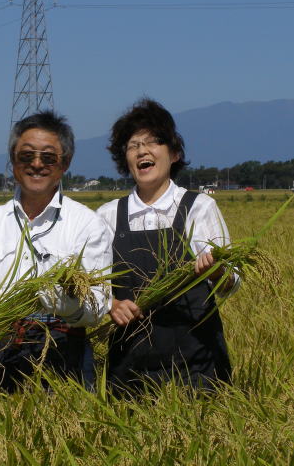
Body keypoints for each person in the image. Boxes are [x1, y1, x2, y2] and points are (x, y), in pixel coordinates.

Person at [0, 111, 111, 392]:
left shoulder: (86, 224)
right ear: (13, 162)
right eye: (26, 156)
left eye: (48, 157)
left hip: (63, 353)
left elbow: (100, 302)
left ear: (64, 164)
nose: (36, 164)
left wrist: (69, 306)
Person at [96, 98, 239, 395]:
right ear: (125, 159)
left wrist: (216, 271)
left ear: (174, 154)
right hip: (130, 370)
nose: (142, 151)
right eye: (133, 145)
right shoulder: (108, 216)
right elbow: (91, 282)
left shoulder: (199, 208)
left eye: (154, 142)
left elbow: (231, 282)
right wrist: (110, 304)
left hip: (197, 365)